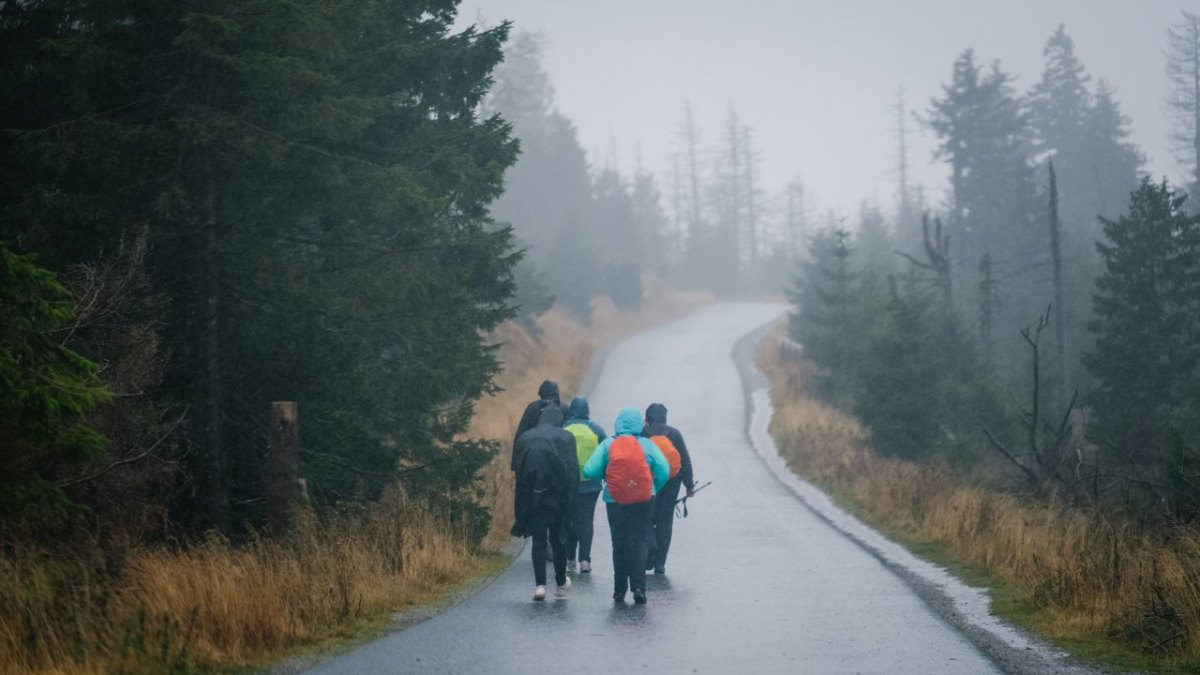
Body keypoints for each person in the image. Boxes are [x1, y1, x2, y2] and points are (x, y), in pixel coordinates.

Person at [582, 407, 669, 604]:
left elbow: (588, 470)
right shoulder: (647, 445)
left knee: (619, 543)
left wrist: (608, 478)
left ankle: (619, 590)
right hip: (644, 499)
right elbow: (664, 469)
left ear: (618, 423)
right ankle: (639, 587)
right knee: (639, 542)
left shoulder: (608, 444)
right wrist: (652, 487)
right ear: (639, 424)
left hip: (615, 499)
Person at [512, 406, 578, 601]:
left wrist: (521, 506)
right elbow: (572, 473)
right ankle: (559, 583)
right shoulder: (566, 437)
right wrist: (572, 504)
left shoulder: (526, 438)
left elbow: (519, 472)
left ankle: (540, 585)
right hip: (557, 498)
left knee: (539, 542)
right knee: (558, 541)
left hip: (533, 498)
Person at [642, 403, 695, 575]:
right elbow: (685, 461)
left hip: (649, 480)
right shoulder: (674, 433)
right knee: (665, 521)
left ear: (647, 418)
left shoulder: (643, 433)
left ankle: (651, 546)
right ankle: (660, 563)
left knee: (647, 517)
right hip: (672, 482)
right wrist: (689, 485)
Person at [562, 396, 607, 574]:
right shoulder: (596, 429)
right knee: (586, 520)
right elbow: (606, 453)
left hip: (568, 484)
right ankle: (585, 560)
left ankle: (570, 558)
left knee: (569, 519)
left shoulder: (564, 428)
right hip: (591, 484)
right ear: (587, 410)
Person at [511, 379, 565, 471]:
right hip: (556, 460)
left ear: (541, 393)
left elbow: (520, 435)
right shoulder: (563, 409)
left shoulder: (532, 408)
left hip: (532, 458)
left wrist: (516, 464)